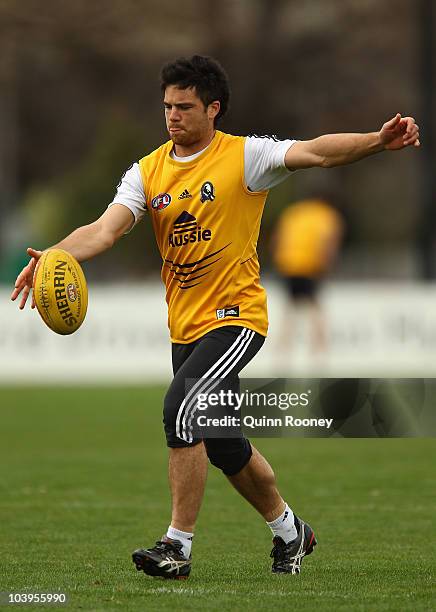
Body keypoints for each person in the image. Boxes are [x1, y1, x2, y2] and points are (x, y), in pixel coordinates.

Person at [11, 55, 420, 579]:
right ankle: (292, 532)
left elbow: (315, 152)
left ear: (213, 108)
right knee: (226, 446)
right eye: (167, 106)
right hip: (185, 326)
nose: (172, 116)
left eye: (184, 107)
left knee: (179, 408)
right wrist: (53, 255)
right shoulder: (147, 171)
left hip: (237, 317)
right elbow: (104, 230)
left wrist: (375, 141)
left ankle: (176, 547)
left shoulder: (245, 157)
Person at [272, 197, 344, 357]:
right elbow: (329, 242)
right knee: (315, 307)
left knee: (290, 307)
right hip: (310, 265)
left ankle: (283, 348)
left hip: (287, 264)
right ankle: (319, 349)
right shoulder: (326, 215)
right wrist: (327, 264)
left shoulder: (293, 212)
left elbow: (277, 237)